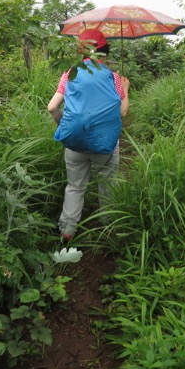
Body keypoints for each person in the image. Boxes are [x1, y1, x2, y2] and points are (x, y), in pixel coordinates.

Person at [47, 28, 130, 241]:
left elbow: (52, 107)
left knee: (75, 187)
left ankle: (67, 230)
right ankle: (110, 227)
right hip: (105, 143)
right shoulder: (113, 77)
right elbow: (122, 111)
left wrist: (63, 127)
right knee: (108, 182)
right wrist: (126, 88)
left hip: (74, 142)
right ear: (104, 52)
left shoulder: (69, 74)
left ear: (81, 51)